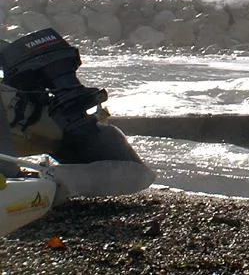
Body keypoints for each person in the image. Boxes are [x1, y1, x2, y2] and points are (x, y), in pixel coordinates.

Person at [0, 28, 154, 201]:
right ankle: (29, 180)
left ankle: (21, 181)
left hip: (31, 124)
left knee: (117, 155)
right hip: (31, 123)